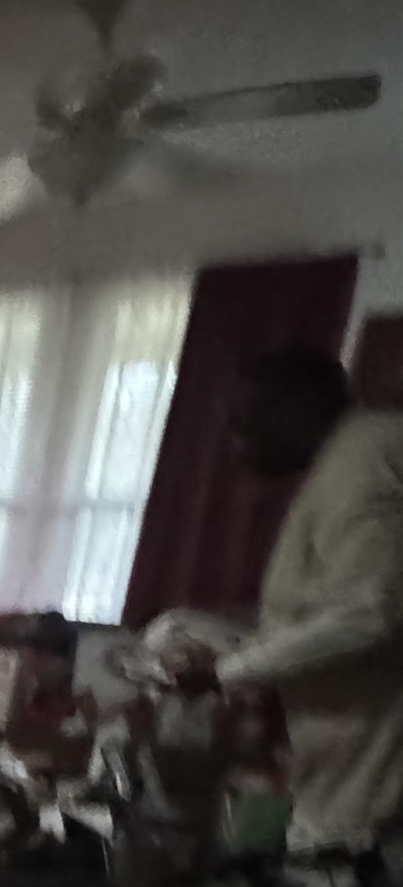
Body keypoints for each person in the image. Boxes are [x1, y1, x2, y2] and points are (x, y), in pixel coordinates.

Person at [159, 345, 403, 847]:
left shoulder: (362, 462)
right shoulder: (345, 457)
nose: (237, 446)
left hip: (374, 776)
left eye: (247, 425)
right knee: (173, 625)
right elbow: (325, 603)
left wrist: (225, 673)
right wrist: (235, 629)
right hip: (341, 763)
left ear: (301, 407)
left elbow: (370, 611)